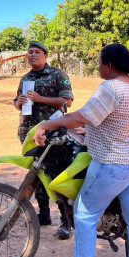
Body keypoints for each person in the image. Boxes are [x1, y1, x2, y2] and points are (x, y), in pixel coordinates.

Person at [33, 44, 129, 257]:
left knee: (85, 211)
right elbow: (116, 122)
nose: (98, 67)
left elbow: (81, 116)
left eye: (100, 62)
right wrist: (89, 131)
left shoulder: (111, 88)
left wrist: (46, 124)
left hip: (114, 163)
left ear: (109, 65)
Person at [13, 40, 75, 239]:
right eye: (29, 52)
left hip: (53, 136)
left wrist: (40, 99)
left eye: (36, 52)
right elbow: (17, 103)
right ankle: (44, 214)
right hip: (29, 134)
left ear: (45, 55)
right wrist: (19, 102)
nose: (32, 55)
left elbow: (67, 102)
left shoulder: (58, 75)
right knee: (37, 175)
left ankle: (66, 222)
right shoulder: (25, 78)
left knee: (57, 176)